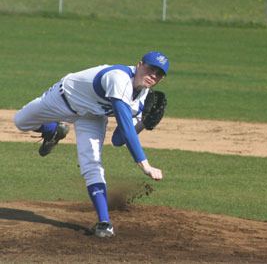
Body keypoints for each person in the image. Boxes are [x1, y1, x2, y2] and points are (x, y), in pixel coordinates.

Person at [14, 51, 169, 237]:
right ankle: (53, 130)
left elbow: (118, 139)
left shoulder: (142, 97)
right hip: (63, 100)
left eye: (159, 74)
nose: (153, 75)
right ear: (139, 64)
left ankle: (104, 223)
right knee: (21, 121)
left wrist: (144, 123)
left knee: (92, 163)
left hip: (92, 117)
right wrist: (145, 165)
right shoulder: (118, 78)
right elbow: (127, 129)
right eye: (150, 69)